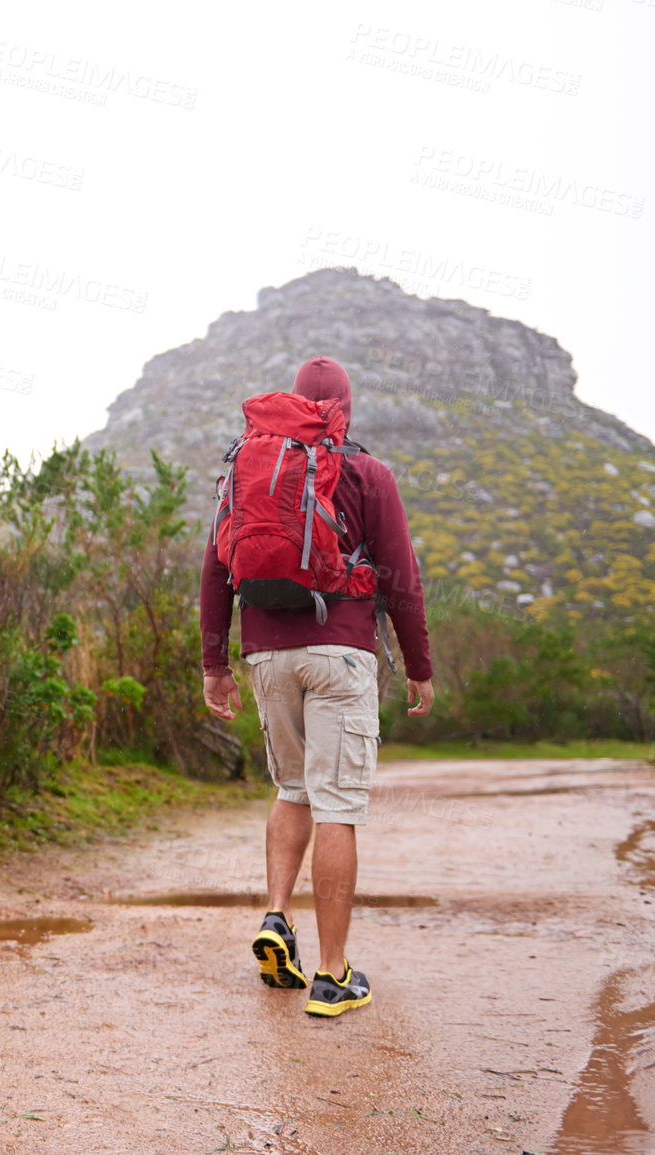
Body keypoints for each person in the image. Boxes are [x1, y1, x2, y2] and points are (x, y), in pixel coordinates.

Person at [198, 355, 434, 1019]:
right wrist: (418, 664)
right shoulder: (368, 473)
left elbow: (215, 573)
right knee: (337, 804)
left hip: (266, 654)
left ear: (295, 404)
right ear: (345, 409)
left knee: (290, 788)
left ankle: (276, 916)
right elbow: (402, 579)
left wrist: (214, 663)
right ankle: (331, 975)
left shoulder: (245, 470)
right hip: (341, 651)